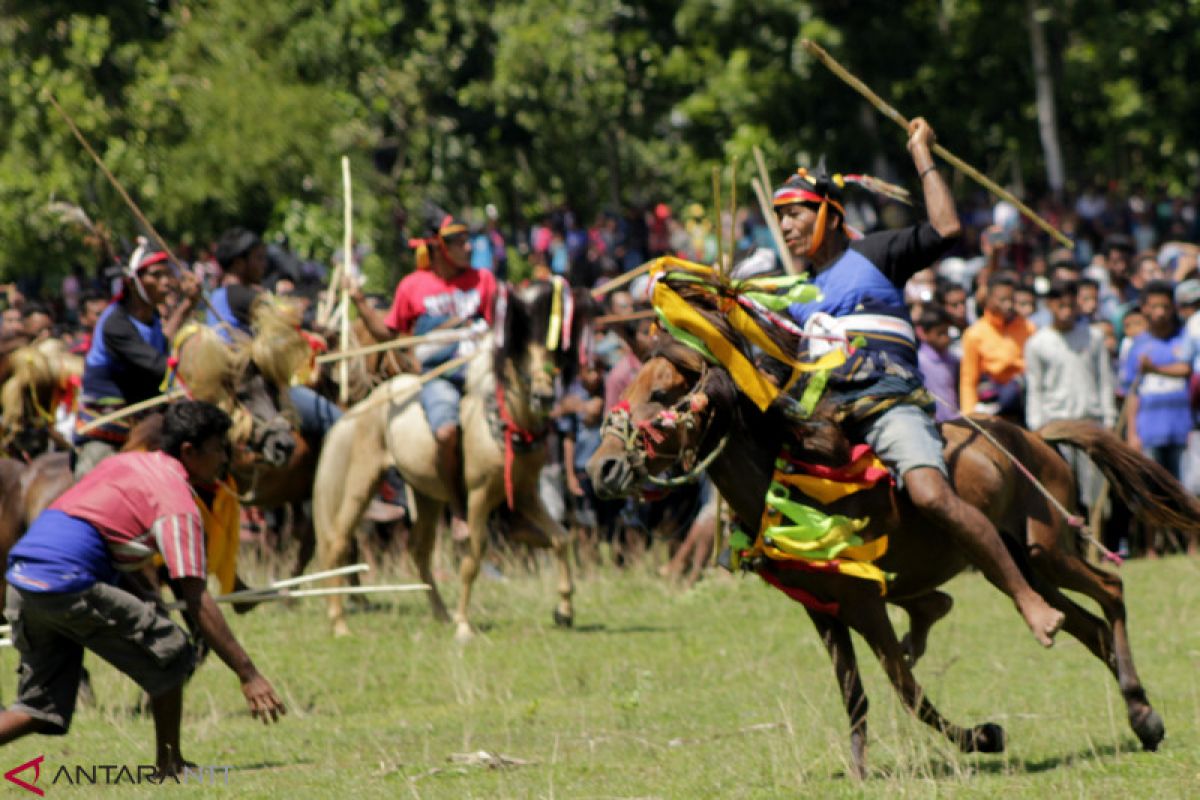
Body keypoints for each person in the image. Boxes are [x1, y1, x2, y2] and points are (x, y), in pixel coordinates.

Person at [774, 117, 1064, 647]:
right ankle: (922, 602)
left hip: (889, 406)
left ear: (830, 216)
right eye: (781, 218)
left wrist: (922, 153)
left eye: (796, 213)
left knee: (929, 496)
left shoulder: (875, 255)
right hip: (830, 421)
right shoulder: (795, 293)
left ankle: (1027, 597)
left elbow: (948, 231)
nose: (787, 226)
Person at [0, 401, 285, 775]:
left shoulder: (126, 463)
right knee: (174, 651)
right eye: (217, 448)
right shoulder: (176, 501)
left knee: (40, 707)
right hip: (65, 579)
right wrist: (249, 675)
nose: (223, 458)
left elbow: (103, 536)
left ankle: (171, 763)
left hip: (23, 575)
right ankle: (171, 765)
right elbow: (195, 596)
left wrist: (147, 596)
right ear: (189, 450)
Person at [347, 214, 496, 521]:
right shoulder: (412, 286)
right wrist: (359, 301)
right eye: (460, 242)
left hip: (484, 372)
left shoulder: (484, 280)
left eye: (468, 240)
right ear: (441, 248)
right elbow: (388, 334)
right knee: (445, 433)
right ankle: (457, 509)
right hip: (439, 377)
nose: (469, 247)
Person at [207, 227, 341, 447]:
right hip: (249, 385)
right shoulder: (241, 294)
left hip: (231, 382)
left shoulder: (217, 294)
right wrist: (321, 330)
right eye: (258, 258)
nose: (264, 265)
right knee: (336, 421)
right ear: (239, 263)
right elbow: (284, 316)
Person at [73, 247, 199, 477]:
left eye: (168, 274)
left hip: (146, 421)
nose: (167, 282)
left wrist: (188, 304)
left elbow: (162, 345)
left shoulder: (150, 319)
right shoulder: (115, 323)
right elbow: (158, 365)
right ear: (133, 283)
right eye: (156, 275)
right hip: (109, 425)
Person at [1023, 279, 1115, 513]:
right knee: (1063, 490)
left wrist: (1109, 418)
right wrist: (1037, 427)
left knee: (1095, 494)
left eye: (1069, 303)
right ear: (1049, 305)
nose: (1065, 309)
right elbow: (1035, 387)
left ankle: (1098, 547)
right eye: (1059, 304)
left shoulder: (1093, 337)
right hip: (1056, 425)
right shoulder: (1037, 343)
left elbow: (1105, 380)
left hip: (1089, 422)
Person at [1122, 280, 1193, 479]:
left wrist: (1155, 369)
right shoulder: (1137, 346)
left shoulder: (1186, 339)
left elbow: (1187, 370)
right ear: (1144, 308)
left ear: (1174, 308)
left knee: (1186, 493)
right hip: (1149, 433)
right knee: (1153, 494)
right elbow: (1132, 393)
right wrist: (1132, 434)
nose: (1160, 313)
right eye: (1154, 307)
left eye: (1165, 307)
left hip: (1182, 430)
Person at [958, 272, 1036, 422]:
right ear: (988, 299)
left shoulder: (1029, 328)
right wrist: (969, 416)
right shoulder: (975, 333)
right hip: (994, 397)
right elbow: (969, 379)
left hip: (1024, 397)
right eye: (1002, 300)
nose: (1008, 305)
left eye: (1011, 299)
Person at [915, 306, 960, 422]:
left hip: (955, 420)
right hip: (934, 422)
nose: (945, 338)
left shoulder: (952, 359)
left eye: (947, 332)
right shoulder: (920, 361)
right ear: (923, 333)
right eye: (940, 333)